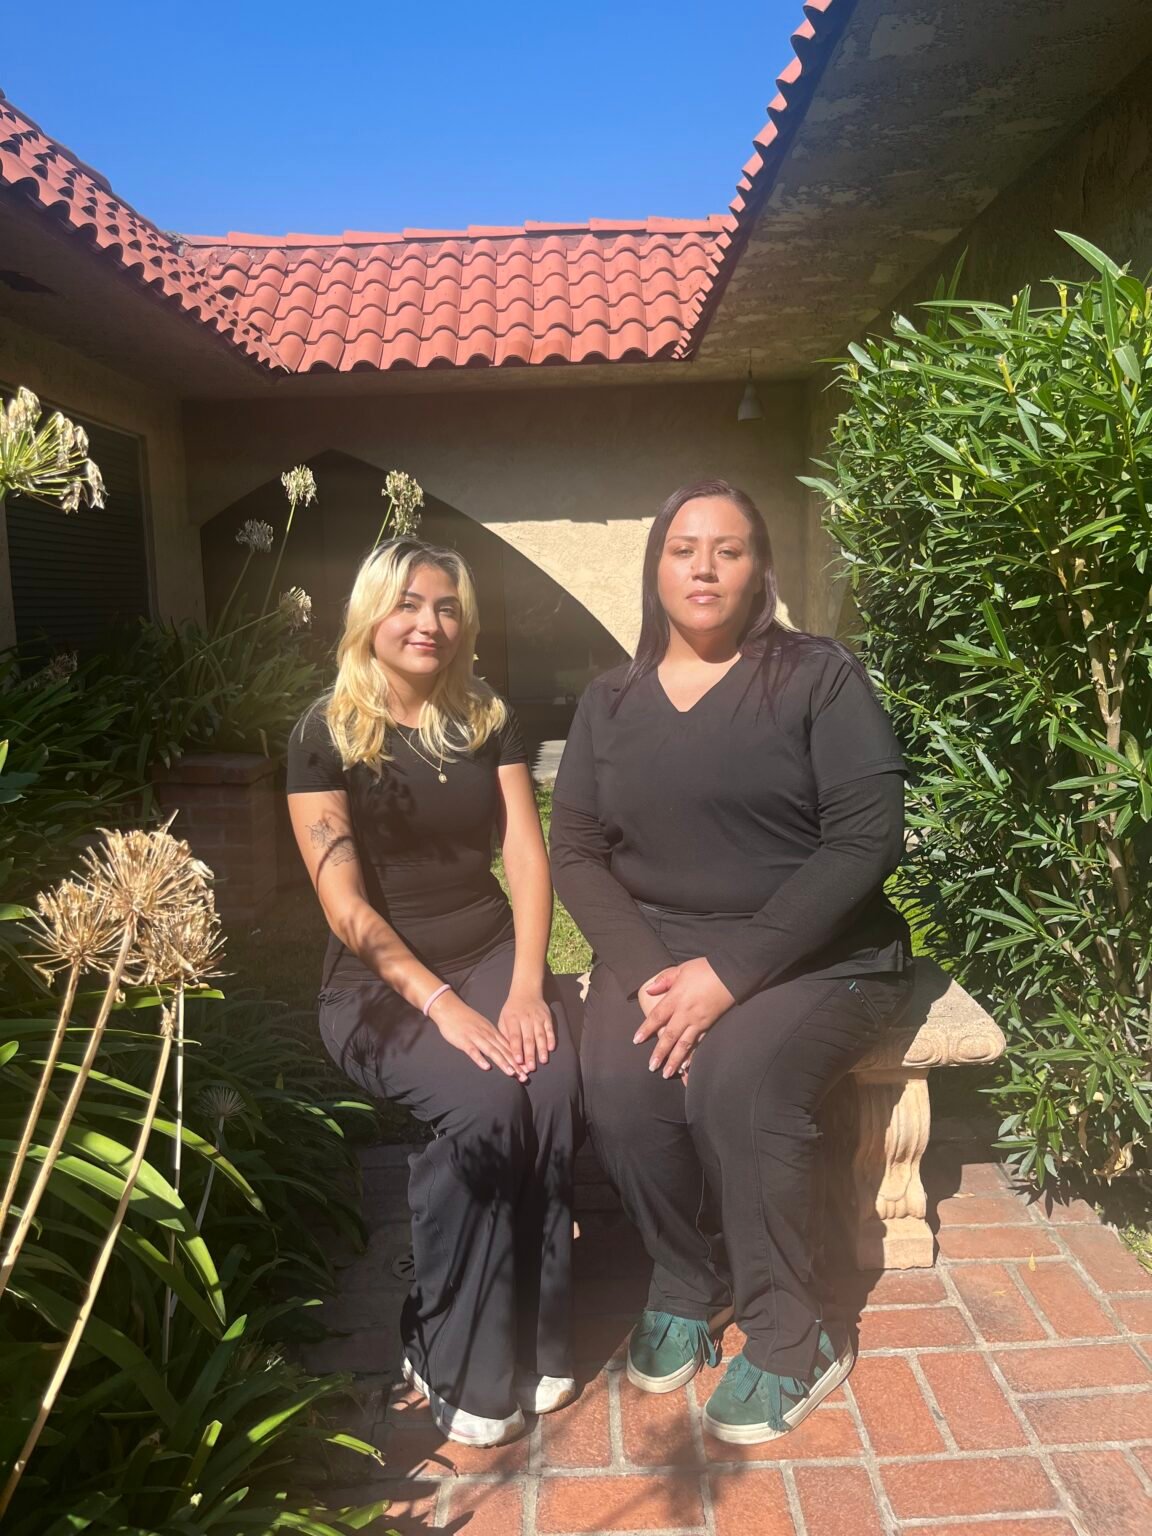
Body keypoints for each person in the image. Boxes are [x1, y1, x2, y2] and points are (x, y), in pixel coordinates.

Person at [549, 480, 911, 1446]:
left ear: (760, 571)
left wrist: (729, 973)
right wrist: (647, 973)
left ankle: (795, 1335)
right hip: (662, 953)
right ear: (654, 567)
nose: (703, 566)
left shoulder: (818, 678)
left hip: (818, 952)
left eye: (729, 549)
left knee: (738, 1085)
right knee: (619, 1083)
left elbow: (867, 839)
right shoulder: (610, 700)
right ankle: (684, 1274)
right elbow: (576, 850)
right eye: (682, 547)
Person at [287, 538, 581, 1448]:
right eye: (411, 603)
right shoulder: (325, 731)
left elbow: (524, 853)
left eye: (448, 606)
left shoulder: (485, 715)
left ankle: (539, 1334)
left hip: (489, 949)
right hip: (378, 989)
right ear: (373, 613)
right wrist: (443, 1006)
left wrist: (527, 986)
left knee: (556, 1086)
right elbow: (344, 906)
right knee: (489, 1105)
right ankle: (450, 1350)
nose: (430, 622)